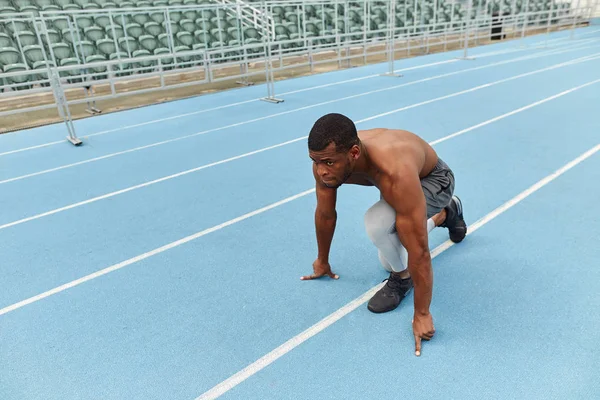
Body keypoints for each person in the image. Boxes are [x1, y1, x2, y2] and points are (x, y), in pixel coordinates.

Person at [301, 113, 467, 356]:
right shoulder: (327, 162)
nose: (321, 171)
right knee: (387, 253)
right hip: (400, 185)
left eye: (328, 162)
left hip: (433, 180)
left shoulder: (393, 171)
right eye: (315, 162)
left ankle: (402, 278)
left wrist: (421, 313)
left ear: (354, 154)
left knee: (379, 225)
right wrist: (322, 260)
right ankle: (445, 214)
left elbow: (419, 251)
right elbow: (326, 214)